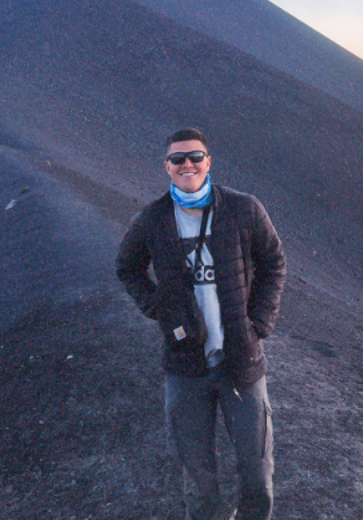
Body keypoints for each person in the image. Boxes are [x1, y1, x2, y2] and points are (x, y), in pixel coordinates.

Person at [116, 128, 287, 520]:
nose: (187, 164)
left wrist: (258, 323)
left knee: (257, 473)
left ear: (209, 162)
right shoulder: (153, 219)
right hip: (185, 367)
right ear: (167, 167)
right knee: (198, 478)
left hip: (240, 362)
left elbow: (274, 262)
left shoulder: (243, 209)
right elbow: (127, 267)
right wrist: (157, 308)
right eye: (178, 159)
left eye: (195, 156)